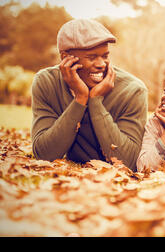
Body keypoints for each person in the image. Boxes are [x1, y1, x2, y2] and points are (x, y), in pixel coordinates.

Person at [31, 19, 148, 171]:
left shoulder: (133, 90)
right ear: (65, 57)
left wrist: (95, 101)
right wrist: (80, 98)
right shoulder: (46, 82)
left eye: (105, 56)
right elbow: (44, 155)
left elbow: (129, 162)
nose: (101, 64)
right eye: (91, 57)